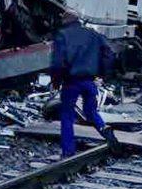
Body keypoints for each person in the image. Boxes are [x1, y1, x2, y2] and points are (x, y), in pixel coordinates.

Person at [50, 11, 118, 157]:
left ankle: (68, 151)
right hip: (89, 81)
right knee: (91, 112)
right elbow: (109, 53)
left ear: (65, 21)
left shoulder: (62, 35)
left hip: (71, 82)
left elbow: (57, 63)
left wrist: (56, 81)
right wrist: (103, 73)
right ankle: (104, 129)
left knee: (67, 115)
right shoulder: (93, 34)